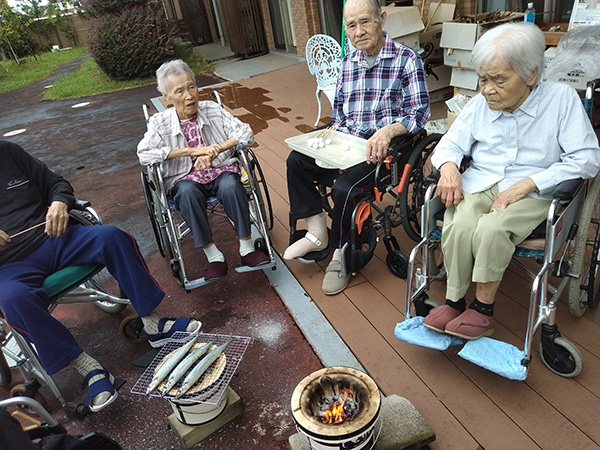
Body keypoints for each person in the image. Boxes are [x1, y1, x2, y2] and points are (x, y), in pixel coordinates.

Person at [424, 22, 600, 339]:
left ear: (530, 74)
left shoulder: (561, 100)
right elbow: (450, 143)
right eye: (483, 79)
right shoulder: (479, 105)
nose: (487, 89)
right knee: (460, 222)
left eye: (499, 80)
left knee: (492, 228)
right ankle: (454, 301)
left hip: (534, 190)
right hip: (483, 181)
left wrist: (532, 182)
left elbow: (587, 158)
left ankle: (482, 310)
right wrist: (449, 166)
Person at [0, 140, 200, 412]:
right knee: (13, 299)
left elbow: (56, 183)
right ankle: (90, 369)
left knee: (113, 237)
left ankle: (153, 325)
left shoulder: (8, 152)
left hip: (55, 236)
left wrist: (59, 202)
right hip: (9, 265)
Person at [284, 0, 430, 295]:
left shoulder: (406, 59)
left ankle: (339, 253)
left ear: (381, 19)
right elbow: (339, 115)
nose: (359, 31)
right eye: (351, 25)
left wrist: (387, 132)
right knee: (295, 160)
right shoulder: (348, 63)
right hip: (347, 145)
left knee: (343, 189)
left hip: (383, 152)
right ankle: (316, 232)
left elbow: (419, 113)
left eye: (365, 21)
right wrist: (331, 143)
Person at [137, 60, 269, 281]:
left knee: (231, 184)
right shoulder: (159, 123)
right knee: (187, 193)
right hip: (183, 179)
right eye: (180, 91)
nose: (189, 96)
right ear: (166, 97)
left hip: (221, 170)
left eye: (191, 87)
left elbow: (246, 133)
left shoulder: (212, 109)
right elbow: (144, 154)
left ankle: (247, 249)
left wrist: (217, 150)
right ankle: (214, 257)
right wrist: (190, 151)